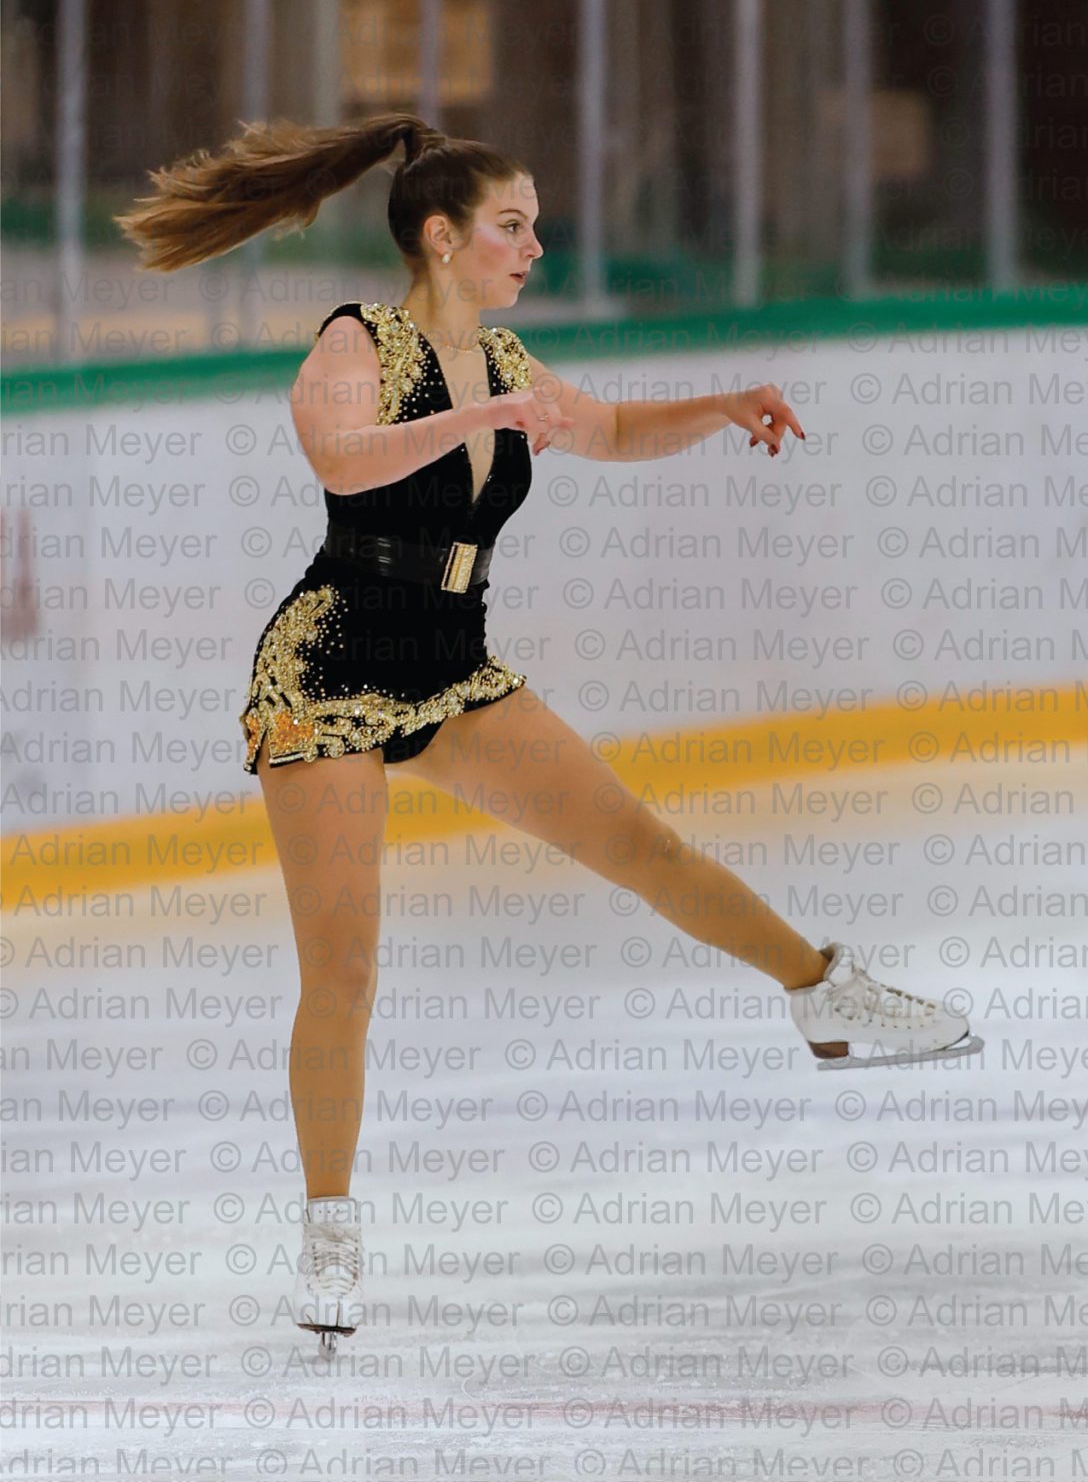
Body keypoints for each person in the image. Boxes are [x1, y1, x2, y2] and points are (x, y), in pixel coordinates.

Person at [115, 114, 980, 1356]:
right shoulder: (359, 340)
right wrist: (479, 417)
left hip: (450, 662)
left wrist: (719, 404)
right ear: (441, 236)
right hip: (329, 669)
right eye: (511, 226)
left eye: (533, 226)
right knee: (345, 970)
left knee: (643, 845)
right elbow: (341, 460)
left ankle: (822, 994)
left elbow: (609, 431)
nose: (534, 246)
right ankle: (329, 1230)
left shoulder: (506, 357)